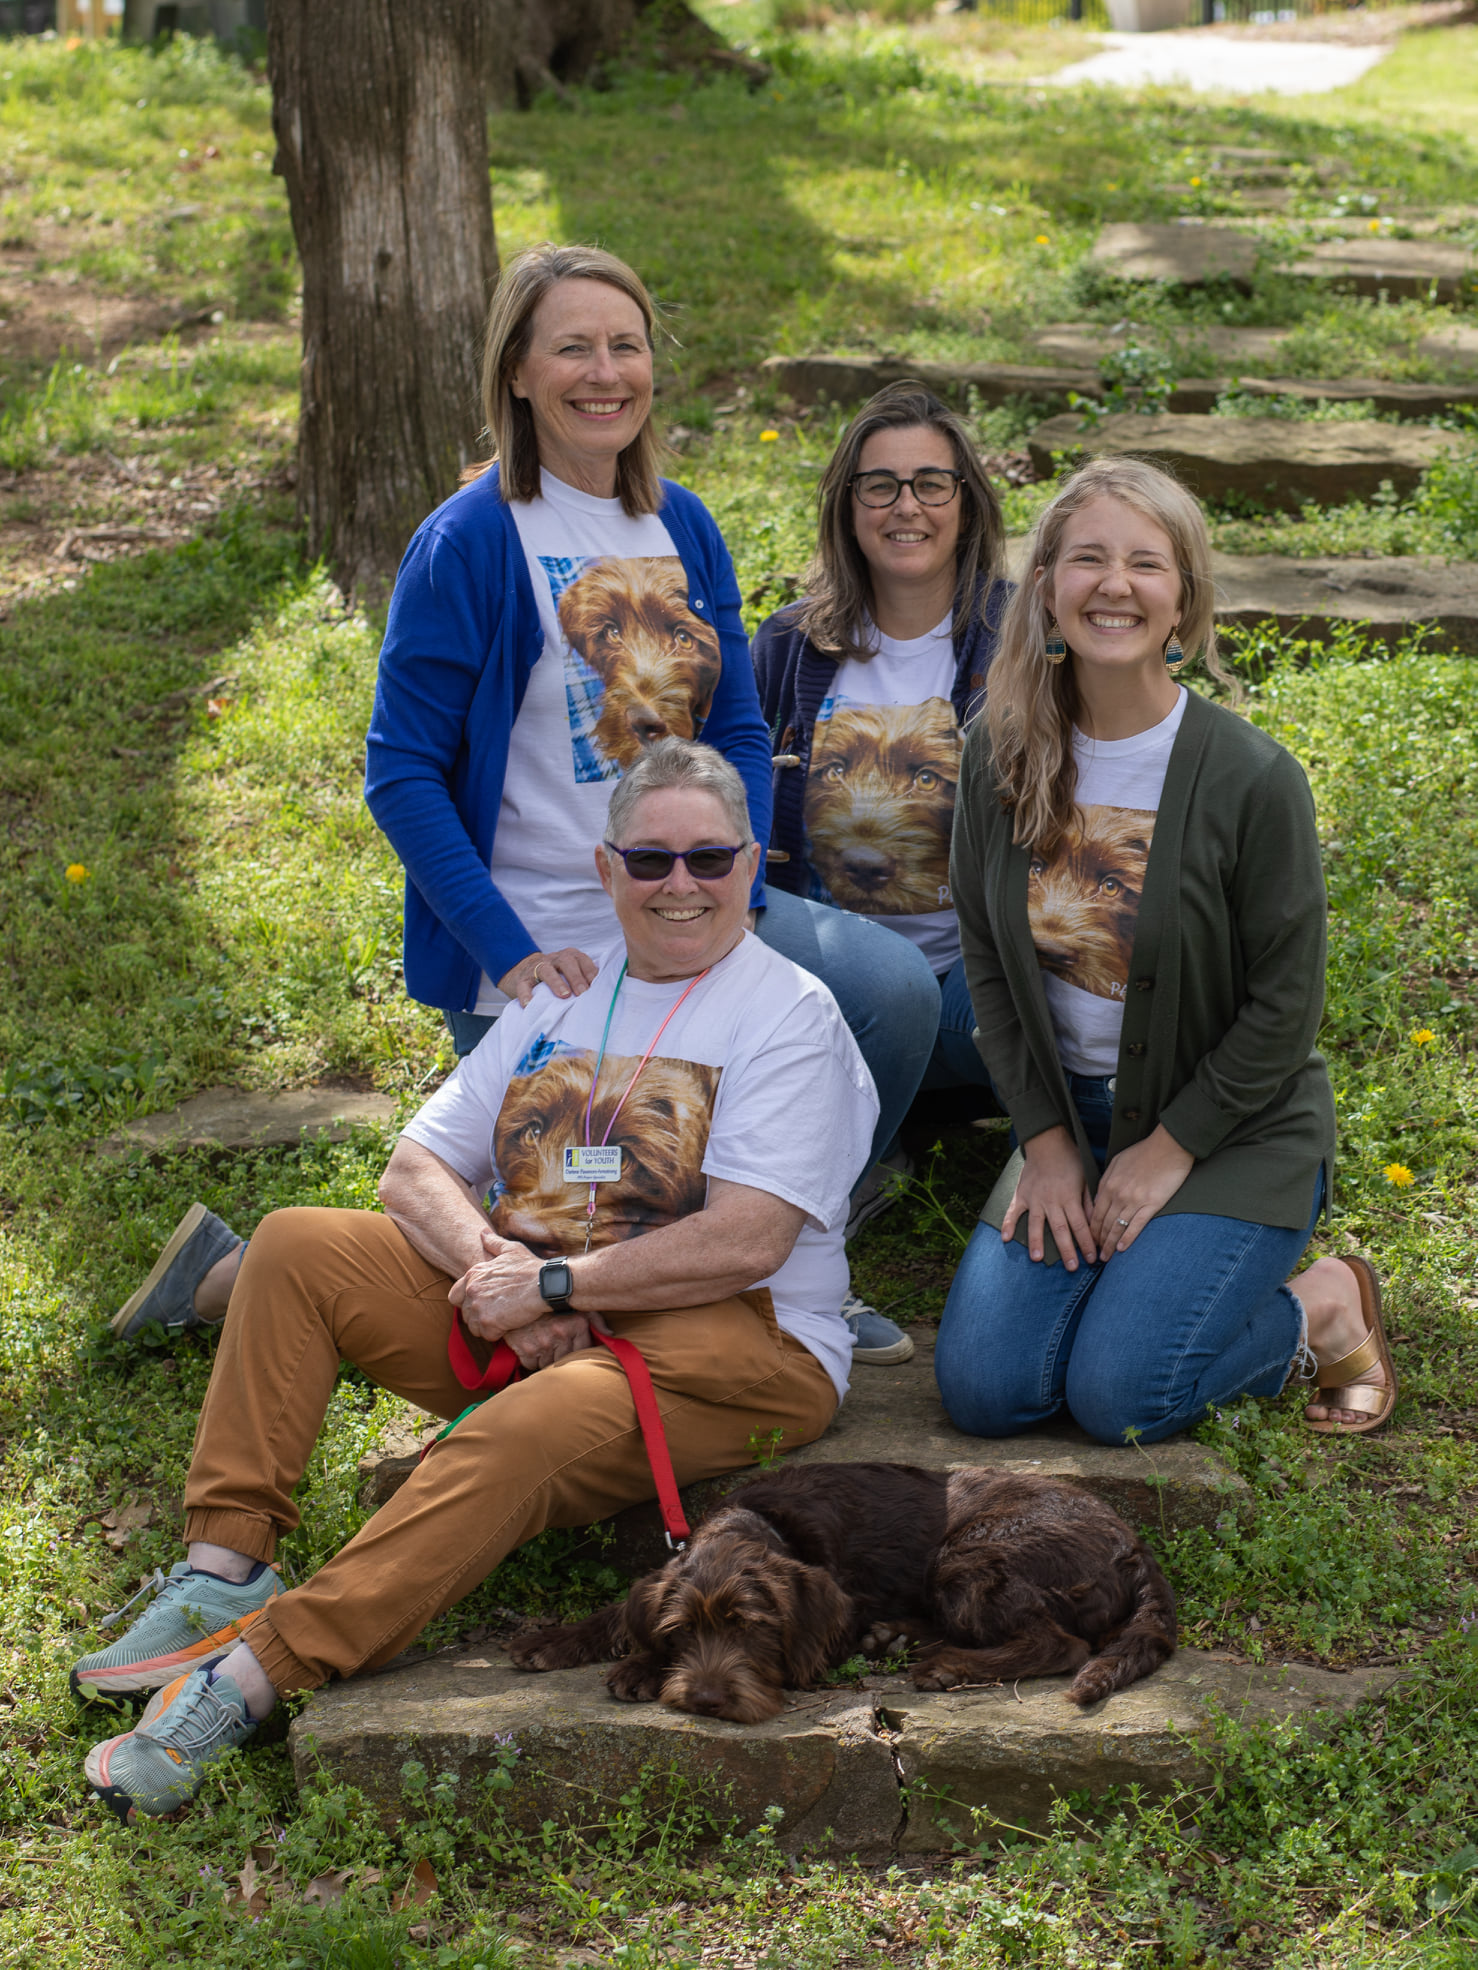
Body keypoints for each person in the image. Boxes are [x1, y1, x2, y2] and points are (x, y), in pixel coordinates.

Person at [75, 741, 877, 1822]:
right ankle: (224, 1567)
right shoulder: (563, 995)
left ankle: (253, 1672)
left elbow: (746, 1239)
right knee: (298, 1243)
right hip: (537, 1299)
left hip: (736, 1342)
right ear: (606, 869)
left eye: (707, 857)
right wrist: (500, 1272)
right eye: (650, 858)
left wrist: (556, 1284)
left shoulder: (788, 1016)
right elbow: (413, 1167)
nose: (679, 883)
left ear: (748, 866)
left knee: (526, 1423)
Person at [359, 242, 937, 1366]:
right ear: (517, 372)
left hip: (683, 895)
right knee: (583, 1184)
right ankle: (245, 1279)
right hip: (545, 938)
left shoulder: (682, 521)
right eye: (571, 346)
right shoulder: (470, 540)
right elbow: (402, 773)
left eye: (625, 345)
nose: (603, 371)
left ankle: (805, 1238)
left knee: (890, 989)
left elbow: (727, 725)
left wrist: (735, 872)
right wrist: (510, 951)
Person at [934, 456, 1396, 1446]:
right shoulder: (996, 751)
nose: (1113, 585)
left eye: (1145, 563)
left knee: (1119, 1394)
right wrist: (1046, 1144)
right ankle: (1115, 1271)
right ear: (1047, 585)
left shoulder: (1251, 777)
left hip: (1227, 1135)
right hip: (1070, 1125)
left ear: (1181, 600)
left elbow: (1283, 1008)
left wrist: (1167, 1149)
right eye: (1087, 558)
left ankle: (1317, 1303)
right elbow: (985, 960)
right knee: (984, 1388)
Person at [751, 381, 1012, 1166]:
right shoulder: (786, 646)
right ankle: (864, 1130)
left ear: (965, 503)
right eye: (879, 486)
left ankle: (907, 1110)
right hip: (828, 990)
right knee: (884, 994)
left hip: (972, 982)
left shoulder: (1027, 638)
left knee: (1072, 1020)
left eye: (932, 483)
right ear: (846, 504)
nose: (907, 506)